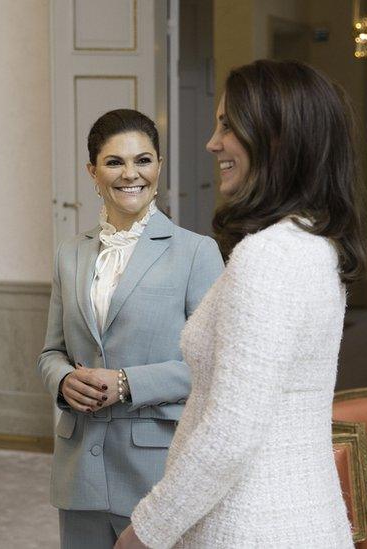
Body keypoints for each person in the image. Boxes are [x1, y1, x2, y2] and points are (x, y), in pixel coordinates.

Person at [116, 60, 367, 549]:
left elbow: (231, 432)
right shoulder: (311, 242)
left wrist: (146, 529)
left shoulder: (272, 254)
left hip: (252, 525)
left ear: (275, 137)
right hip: (295, 516)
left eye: (228, 125)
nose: (213, 142)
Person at [38, 109, 224, 548]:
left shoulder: (197, 253)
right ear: (93, 171)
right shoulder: (70, 254)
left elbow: (214, 366)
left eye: (142, 160)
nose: (130, 174)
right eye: (114, 162)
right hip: (79, 466)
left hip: (155, 468)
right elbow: (50, 353)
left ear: (159, 166)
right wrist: (63, 381)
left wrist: (126, 383)